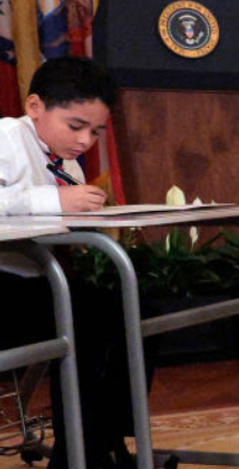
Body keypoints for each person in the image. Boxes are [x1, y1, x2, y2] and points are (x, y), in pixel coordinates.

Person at [0, 56, 139, 469]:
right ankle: (84, 450)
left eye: (96, 131)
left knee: (136, 310)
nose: (85, 142)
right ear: (35, 108)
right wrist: (54, 202)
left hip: (41, 281)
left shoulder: (69, 164)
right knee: (88, 322)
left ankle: (102, 438)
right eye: (76, 126)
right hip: (7, 284)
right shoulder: (6, 138)